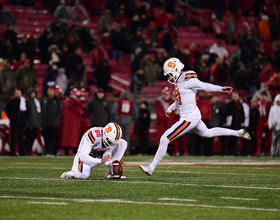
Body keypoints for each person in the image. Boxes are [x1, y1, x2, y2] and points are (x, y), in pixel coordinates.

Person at [139, 57, 251, 176]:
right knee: (207, 133)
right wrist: (170, 108)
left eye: (170, 74)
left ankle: (151, 167)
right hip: (192, 114)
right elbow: (180, 100)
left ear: (176, 70)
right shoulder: (180, 81)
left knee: (164, 138)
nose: (169, 77)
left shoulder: (188, 79)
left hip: (189, 117)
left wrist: (221, 88)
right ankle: (238, 133)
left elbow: (205, 86)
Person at [60, 122, 127, 179]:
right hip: (87, 157)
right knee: (83, 176)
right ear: (105, 135)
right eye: (109, 141)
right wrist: (100, 161)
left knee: (123, 143)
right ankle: (72, 173)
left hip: (100, 155)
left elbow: (107, 156)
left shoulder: (109, 139)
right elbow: (83, 157)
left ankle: (110, 173)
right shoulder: (93, 135)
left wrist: (114, 163)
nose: (111, 144)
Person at [111, 91, 137, 155]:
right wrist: (133, 119)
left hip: (120, 118)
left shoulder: (119, 101)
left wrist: (114, 118)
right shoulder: (131, 102)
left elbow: (114, 110)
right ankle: (126, 150)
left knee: (118, 135)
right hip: (128, 118)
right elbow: (136, 112)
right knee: (127, 136)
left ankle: (117, 150)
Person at [41, 86, 62, 156]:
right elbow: (41, 111)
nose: (50, 92)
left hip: (53, 123)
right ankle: (47, 151)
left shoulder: (57, 101)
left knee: (52, 138)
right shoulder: (44, 100)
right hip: (45, 122)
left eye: (51, 90)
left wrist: (56, 121)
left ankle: (51, 151)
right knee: (45, 138)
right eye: (49, 90)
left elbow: (59, 112)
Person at [5, 88, 26, 156]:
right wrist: (12, 119)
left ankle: (21, 151)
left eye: (19, 93)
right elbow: (7, 112)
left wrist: (23, 120)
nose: (18, 94)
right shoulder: (11, 102)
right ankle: (12, 152)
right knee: (13, 138)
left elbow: (26, 112)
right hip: (14, 123)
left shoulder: (24, 102)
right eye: (17, 93)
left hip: (21, 124)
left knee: (21, 139)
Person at [25, 88, 41, 156]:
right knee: (29, 138)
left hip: (35, 123)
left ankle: (29, 150)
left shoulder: (36, 101)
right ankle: (28, 150)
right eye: (31, 93)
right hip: (30, 124)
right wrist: (29, 123)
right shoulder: (27, 101)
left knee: (32, 138)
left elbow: (37, 113)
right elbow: (27, 114)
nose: (33, 94)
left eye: (34, 93)